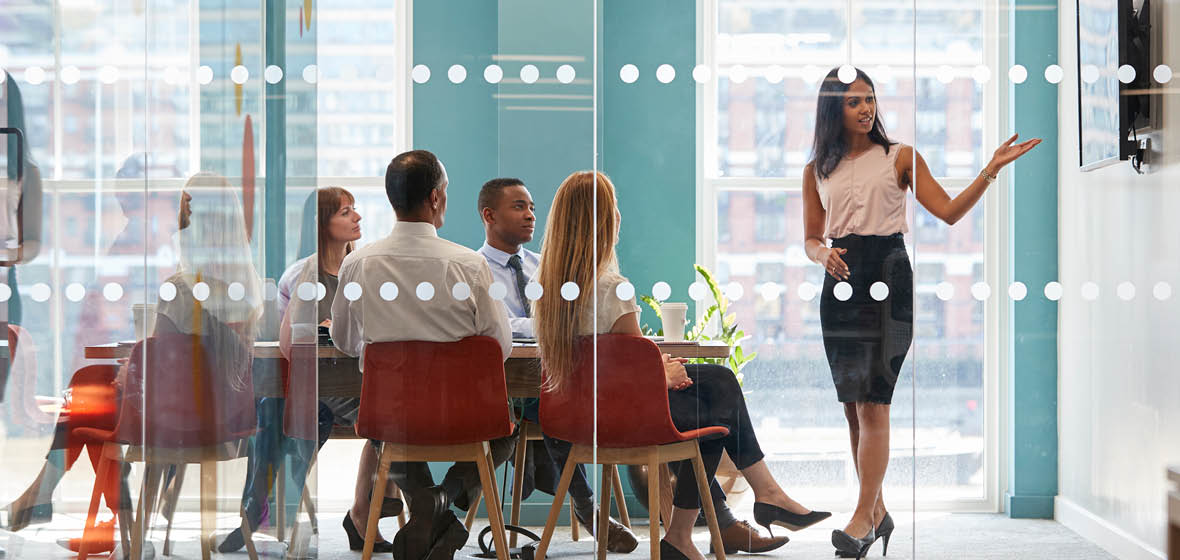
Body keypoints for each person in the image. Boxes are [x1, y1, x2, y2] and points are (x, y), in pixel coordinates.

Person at [801, 66, 1040, 558]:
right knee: (853, 407)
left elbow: (949, 212)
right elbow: (810, 236)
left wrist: (989, 169)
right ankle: (878, 510)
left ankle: (863, 518)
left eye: (870, 99)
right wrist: (820, 253)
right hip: (840, 282)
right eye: (854, 101)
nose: (866, 108)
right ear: (833, 110)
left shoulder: (900, 157)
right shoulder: (816, 169)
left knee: (874, 403)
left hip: (889, 276)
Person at [534, 170, 829, 560]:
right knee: (714, 414)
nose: (620, 217)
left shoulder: (549, 293)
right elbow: (630, 371)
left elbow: (609, 365)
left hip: (578, 416)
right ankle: (708, 522)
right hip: (621, 416)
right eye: (615, 210)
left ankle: (755, 501)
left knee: (719, 381)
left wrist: (659, 369)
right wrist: (662, 373)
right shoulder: (611, 287)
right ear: (606, 221)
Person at [4, 172, 263, 558]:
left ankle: (104, 515)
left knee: (88, 404)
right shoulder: (249, 286)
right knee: (90, 386)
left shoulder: (182, 287)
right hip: (227, 415)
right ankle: (100, 518)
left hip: (180, 419)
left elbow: (156, 366)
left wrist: (130, 369)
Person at [331, 150, 515, 559]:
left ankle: (428, 509)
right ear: (435, 198)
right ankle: (441, 503)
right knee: (508, 430)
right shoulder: (468, 265)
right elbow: (498, 346)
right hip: (467, 415)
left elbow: (344, 340)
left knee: (384, 433)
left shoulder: (358, 264)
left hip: (392, 417)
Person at [218, 186, 404, 553]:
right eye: (346, 212)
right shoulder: (305, 274)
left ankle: (365, 509)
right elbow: (288, 343)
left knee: (392, 417)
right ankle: (373, 508)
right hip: (323, 385)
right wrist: (326, 329)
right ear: (322, 223)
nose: (357, 217)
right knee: (388, 419)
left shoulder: (363, 268)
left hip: (360, 379)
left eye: (355, 209)